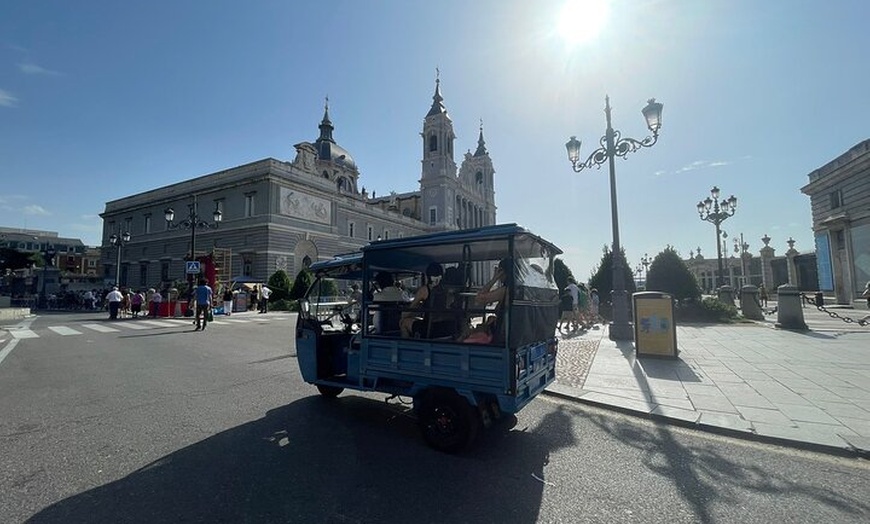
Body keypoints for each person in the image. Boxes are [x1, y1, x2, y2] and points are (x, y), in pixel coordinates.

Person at [400, 262, 443, 338]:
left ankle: (406, 346)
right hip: (446, 327)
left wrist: (403, 317)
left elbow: (412, 308)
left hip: (430, 329)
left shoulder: (425, 290)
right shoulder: (448, 289)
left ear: (428, 275)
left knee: (404, 322)